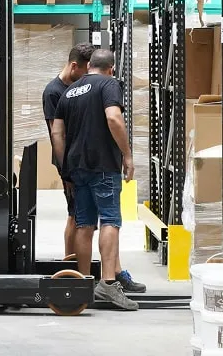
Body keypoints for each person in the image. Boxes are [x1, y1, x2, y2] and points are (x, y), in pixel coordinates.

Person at [50, 49, 146, 312]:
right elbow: (113, 117)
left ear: (88, 65)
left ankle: (84, 282)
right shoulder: (109, 84)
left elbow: (57, 132)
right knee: (111, 221)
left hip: (77, 166)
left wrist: (65, 167)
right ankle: (108, 283)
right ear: (111, 69)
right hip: (103, 164)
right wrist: (126, 155)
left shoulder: (69, 91)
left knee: (85, 224)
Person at [42, 43, 95, 257]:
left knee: (82, 215)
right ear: (74, 66)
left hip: (84, 160)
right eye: (85, 71)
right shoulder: (53, 93)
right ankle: (69, 264)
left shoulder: (80, 87)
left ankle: (76, 263)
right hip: (69, 163)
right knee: (75, 214)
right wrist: (66, 171)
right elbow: (56, 134)